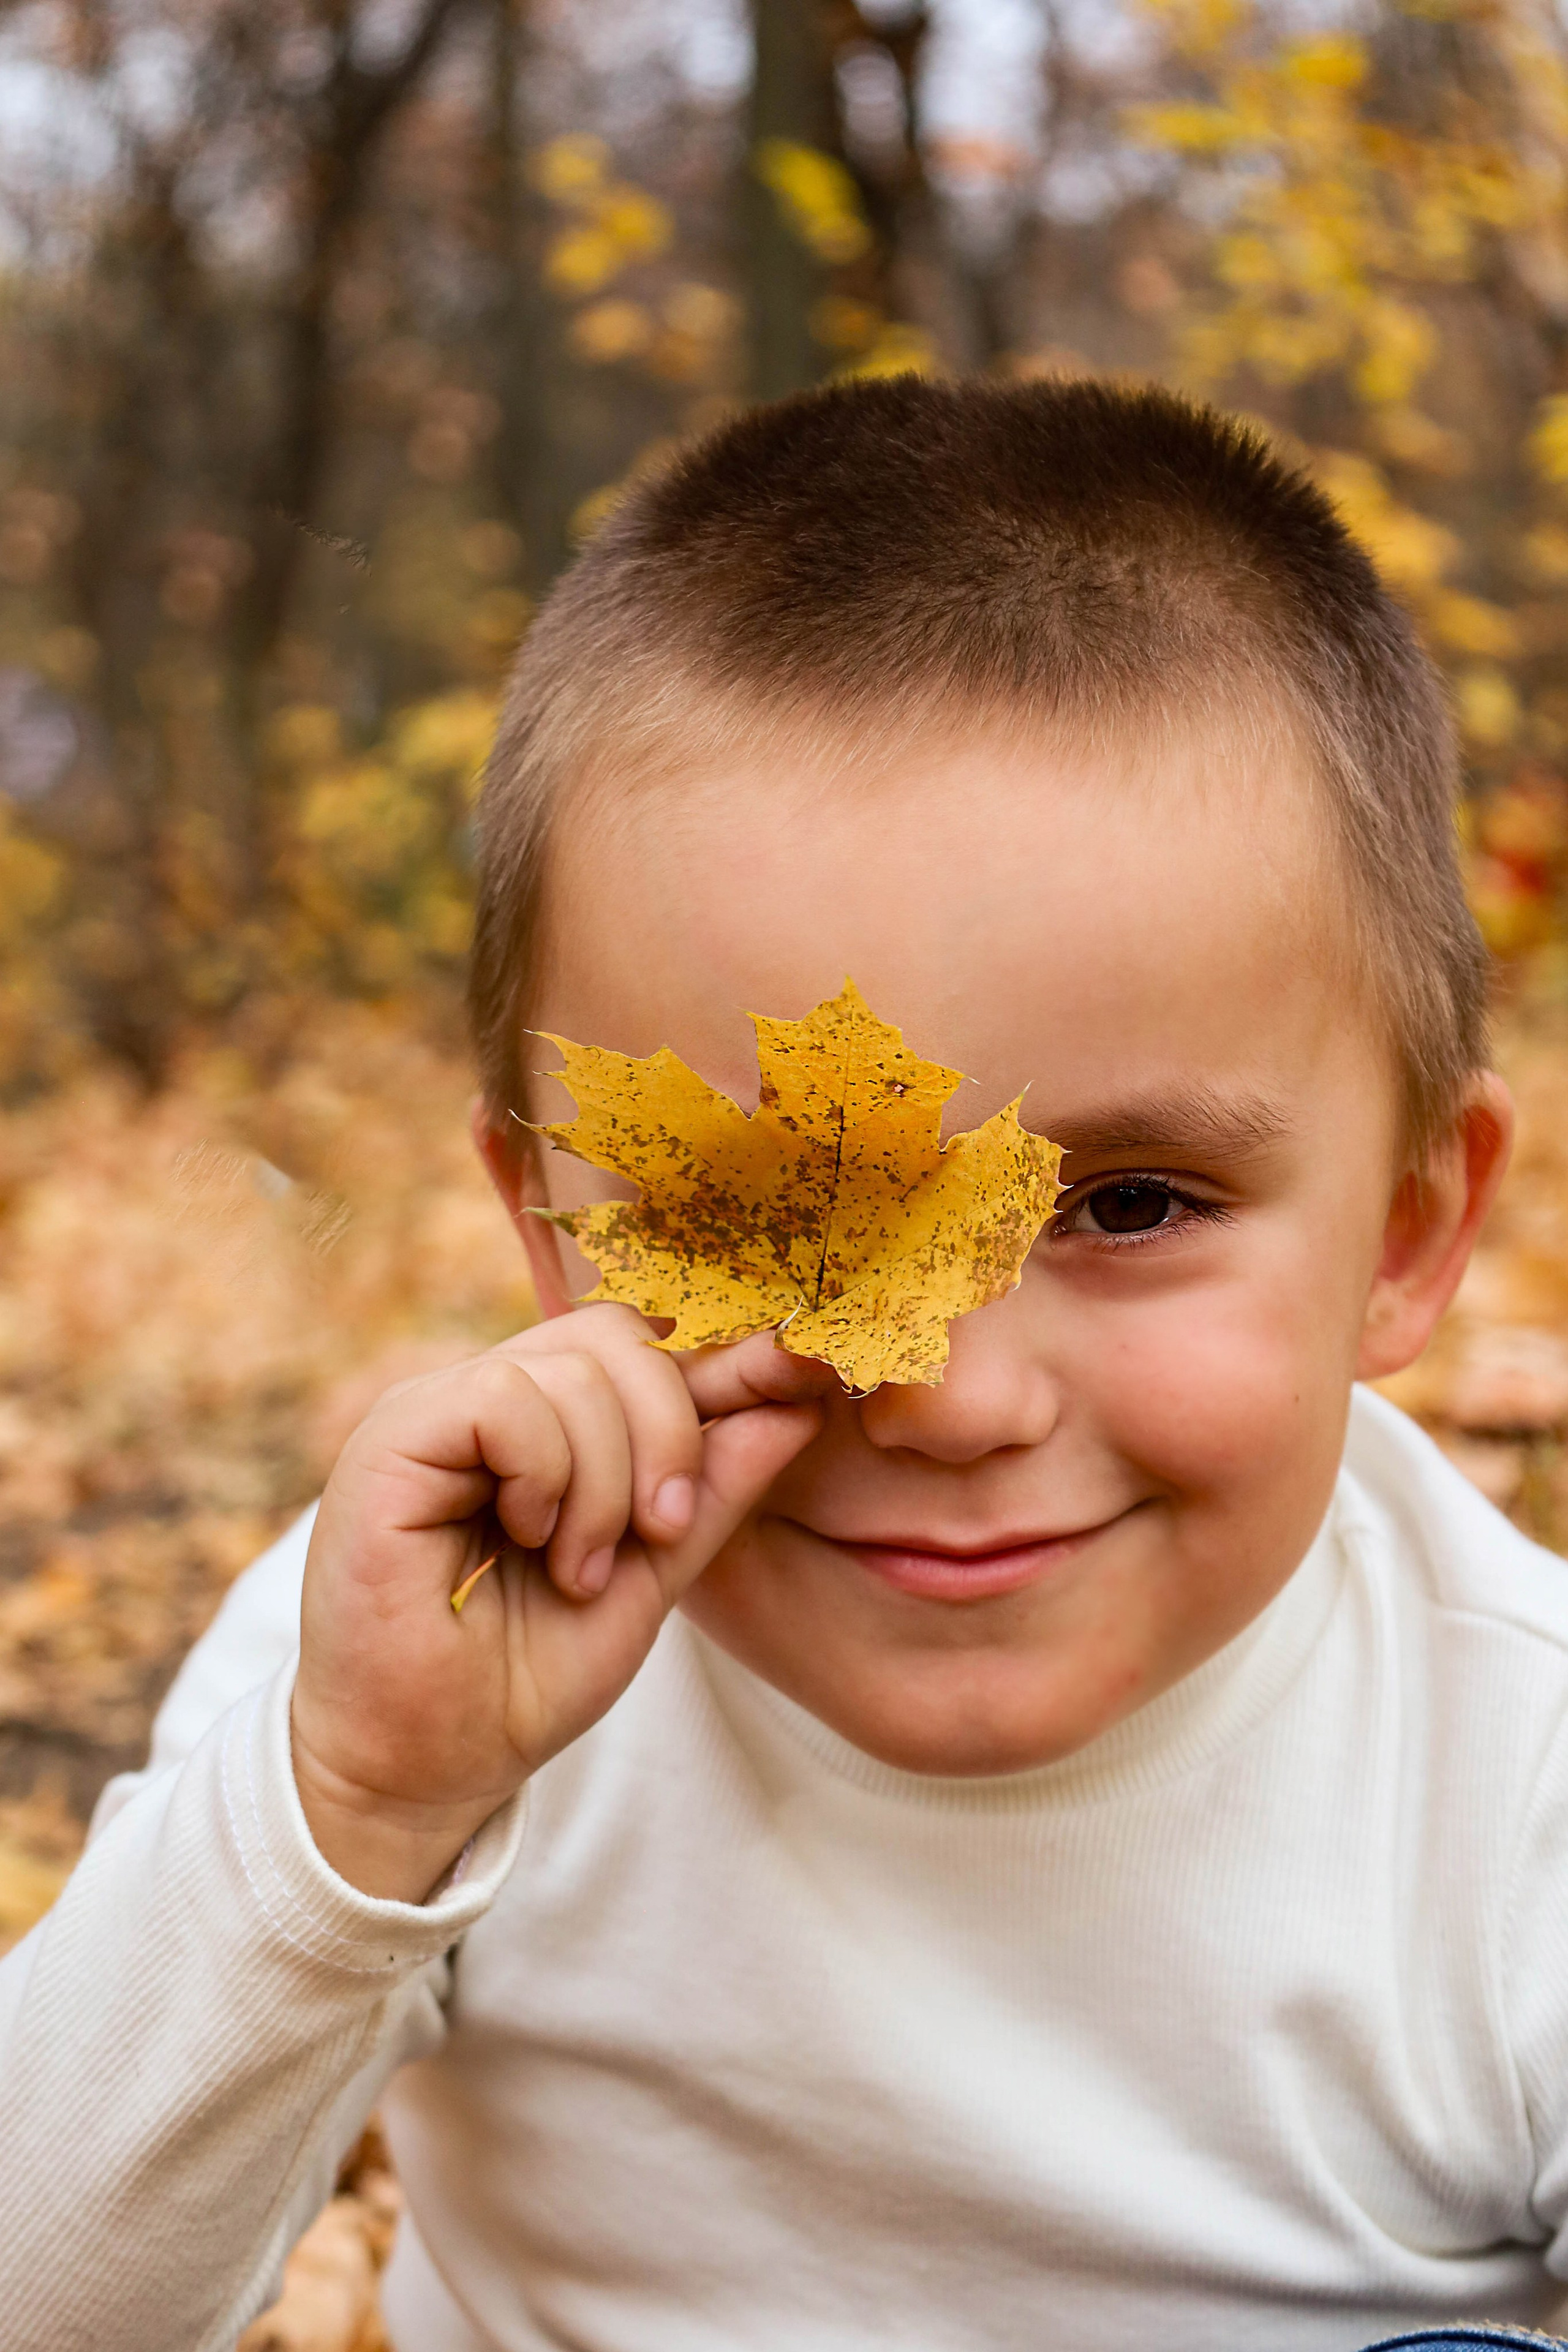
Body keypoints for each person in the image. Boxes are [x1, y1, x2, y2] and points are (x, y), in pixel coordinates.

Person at [1, 374, 1563, 2352]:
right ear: (561, 1234)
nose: (949, 1395)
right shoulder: (421, 1667)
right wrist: (357, 1813)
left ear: (1410, 1233)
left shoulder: (1515, 1785)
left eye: (1132, 1206)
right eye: (769, 1221)